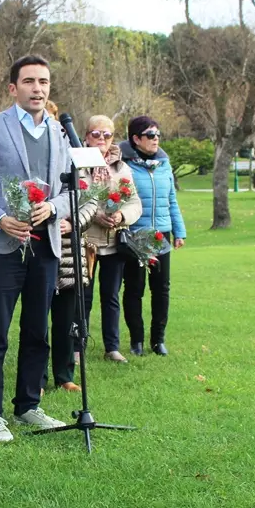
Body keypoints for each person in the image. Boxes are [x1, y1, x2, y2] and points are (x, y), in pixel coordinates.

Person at [0, 55, 72, 442]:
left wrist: (53, 207)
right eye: (29, 81)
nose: (37, 88)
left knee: (38, 331)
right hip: (2, 249)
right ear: (13, 88)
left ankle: (28, 406)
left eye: (43, 82)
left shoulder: (60, 133)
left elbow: (69, 193)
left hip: (46, 247)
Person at [119, 116, 187, 356]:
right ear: (136, 139)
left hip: (162, 234)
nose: (155, 138)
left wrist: (179, 231)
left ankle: (158, 341)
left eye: (158, 134)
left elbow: (171, 200)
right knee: (134, 289)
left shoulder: (164, 164)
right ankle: (136, 341)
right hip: (136, 234)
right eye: (150, 135)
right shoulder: (124, 165)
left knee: (161, 288)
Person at [80, 115, 142, 363]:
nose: (101, 139)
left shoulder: (121, 167)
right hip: (86, 241)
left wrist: (121, 216)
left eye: (107, 135)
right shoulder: (77, 163)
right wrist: (95, 215)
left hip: (114, 243)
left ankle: (112, 347)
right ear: (86, 136)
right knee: (83, 297)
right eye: (96, 134)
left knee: (111, 296)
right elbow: (70, 198)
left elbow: (135, 203)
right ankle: (77, 346)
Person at [44, 180, 96, 392]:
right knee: (37, 321)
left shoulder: (77, 161)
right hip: (42, 244)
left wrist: (74, 222)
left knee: (67, 319)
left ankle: (64, 376)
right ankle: (37, 378)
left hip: (69, 253)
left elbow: (92, 202)